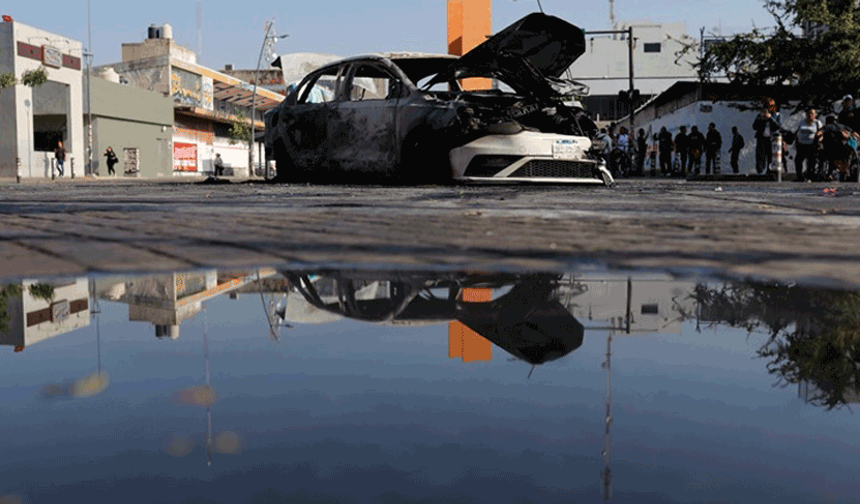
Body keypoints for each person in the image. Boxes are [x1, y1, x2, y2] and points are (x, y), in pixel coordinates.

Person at [793, 109, 823, 182]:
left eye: (812, 113)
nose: (810, 115)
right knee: (798, 161)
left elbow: (821, 132)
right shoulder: (802, 122)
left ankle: (810, 177)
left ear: (815, 115)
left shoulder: (817, 123)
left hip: (811, 145)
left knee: (811, 162)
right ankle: (799, 177)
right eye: (808, 113)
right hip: (801, 144)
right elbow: (798, 131)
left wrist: (819, 140)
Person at [752, 107, 779, 174]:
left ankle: (769, 171)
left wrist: (770, 119)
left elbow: (777, 126)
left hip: (770, 139)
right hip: (761, 139)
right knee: (760, 156)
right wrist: (761, 119)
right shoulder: (759, 117)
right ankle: (760, 171)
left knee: (770, 156)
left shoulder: (773, 118)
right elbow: (754, 126)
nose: (765, 115)